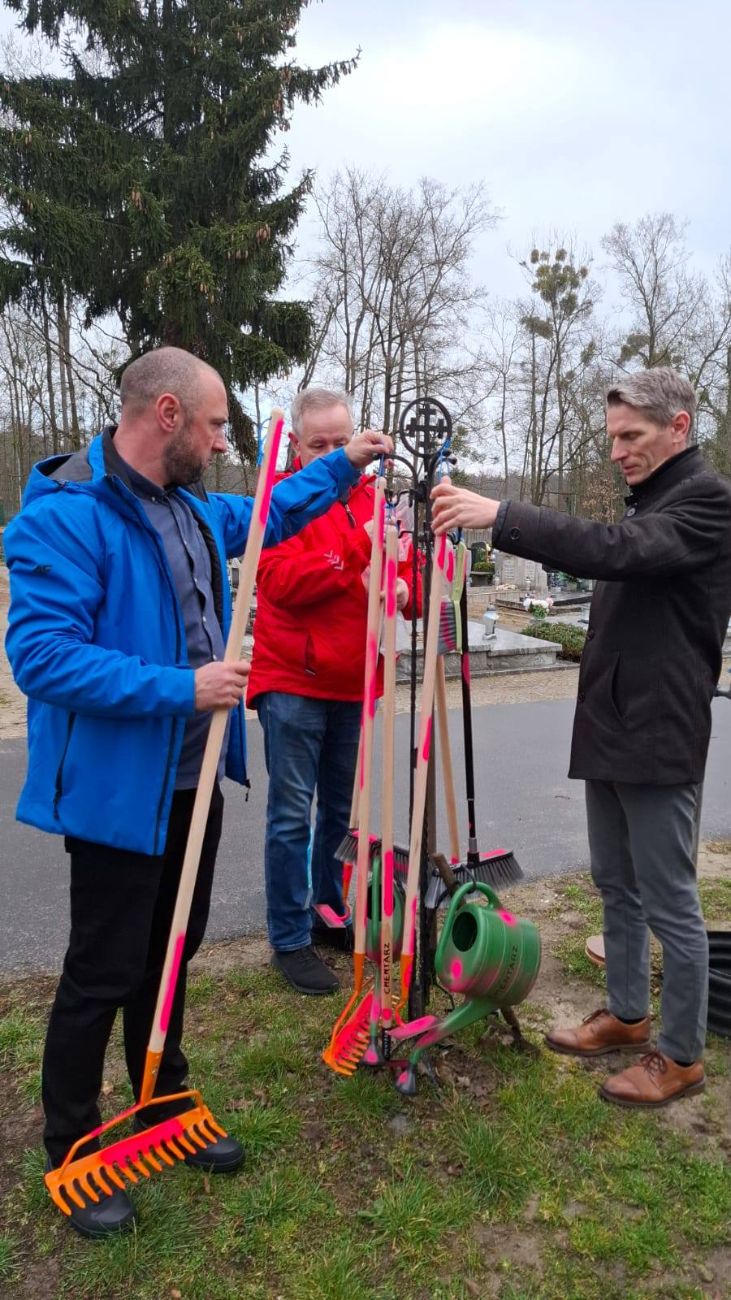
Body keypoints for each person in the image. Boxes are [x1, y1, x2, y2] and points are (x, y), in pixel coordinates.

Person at [4, 348, 392, 1238]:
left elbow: (271, 510)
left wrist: (347, 462)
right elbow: (43, 657)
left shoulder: (188, 509)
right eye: (217, 425)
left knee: (170, 951)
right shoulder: (65, 517)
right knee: (102, 967)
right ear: (169, 415)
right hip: (115, 789)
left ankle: (159, 1095)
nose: (225, 444)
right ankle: (72, 1143)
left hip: (192, 775)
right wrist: (186, 687)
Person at [431, 367, 731, 1108]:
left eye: (631, 436)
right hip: (612, 724)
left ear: (679, 427)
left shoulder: (705, 503)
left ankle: (681, 1056)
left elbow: (614, 551)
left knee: (668, 901)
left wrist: (498, 514)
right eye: (612, 438)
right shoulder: (651, 499)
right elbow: (605, 555)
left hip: (658, 733)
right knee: (614, 885)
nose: (618, 451)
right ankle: (627, 1017)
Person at [246, 387, 421, 995]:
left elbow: (409, 571)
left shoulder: (378, 499)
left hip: (355, 685)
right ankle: (288, 936)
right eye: (319, 444)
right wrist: (354, 550)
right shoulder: (283, 502)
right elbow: (276, 580)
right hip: (293, 681)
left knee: (340, 816)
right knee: (292, 814)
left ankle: (328, 908)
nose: (334, 453)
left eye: (341, 441)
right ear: (298, 446)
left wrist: (403, 588)